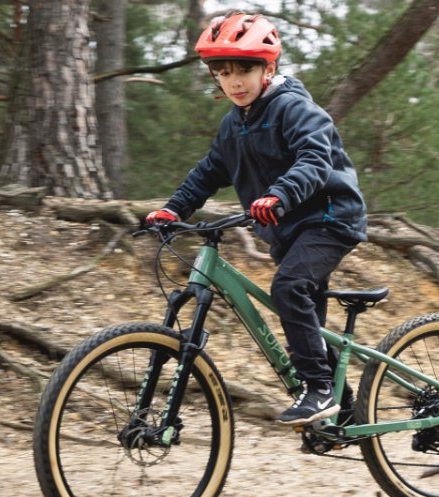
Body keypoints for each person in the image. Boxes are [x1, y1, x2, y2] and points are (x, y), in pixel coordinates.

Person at [144, 12, 368, 425]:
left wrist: (280, 193)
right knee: (306, 319)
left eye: (245, 68)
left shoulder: (294, 109)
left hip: (328, 218)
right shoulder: (234, 124)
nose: (235, 81)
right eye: (223, 72)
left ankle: (318, 391)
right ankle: (345, 409)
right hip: (287, 231)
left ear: (269, 67)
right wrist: (174, 208)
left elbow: (315, 159)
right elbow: (210, 171)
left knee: (288, 288)